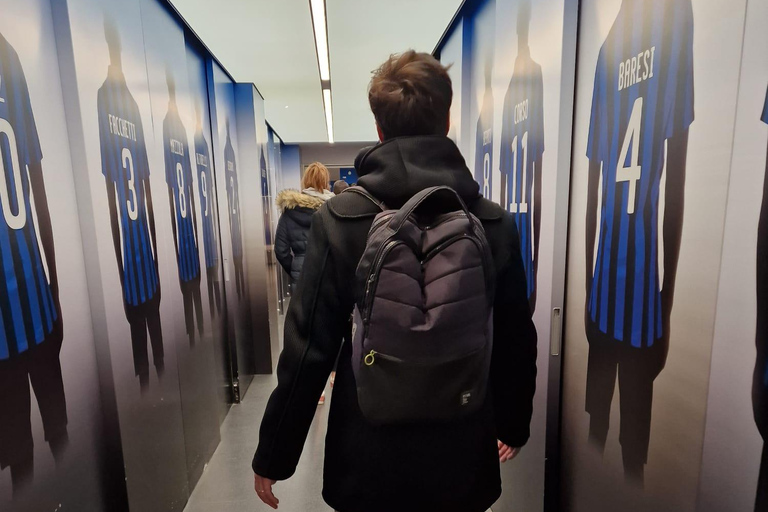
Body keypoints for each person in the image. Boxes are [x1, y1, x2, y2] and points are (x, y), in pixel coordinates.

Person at [252, 50, 537, 512]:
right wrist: (512, 423)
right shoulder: (492, 223)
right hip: (462, 450)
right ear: (447, 120)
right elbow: (514, 338)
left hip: (367, 453)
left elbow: (309, 349)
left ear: (380, 130)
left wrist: (275, 452)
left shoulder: (342, 219)